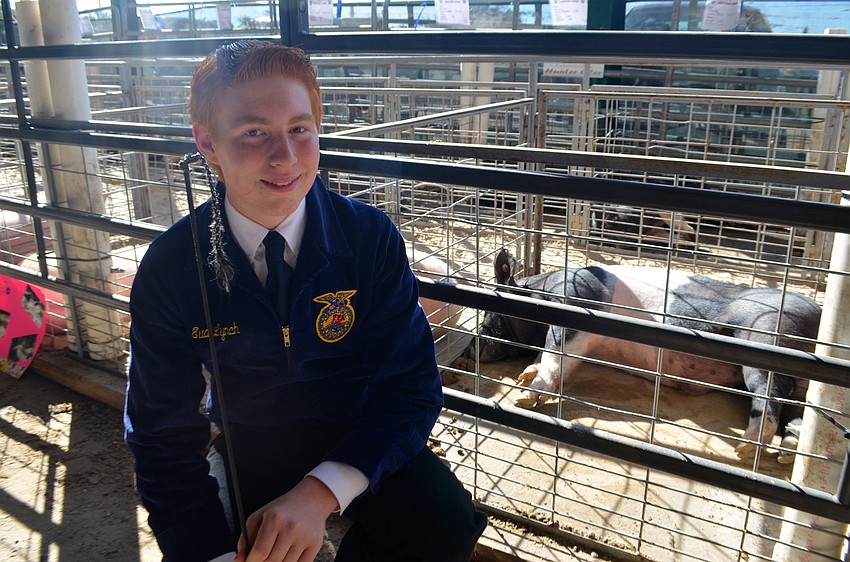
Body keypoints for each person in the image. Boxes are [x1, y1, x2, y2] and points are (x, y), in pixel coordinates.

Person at [123, 39, 487, 562]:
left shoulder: (367, 237)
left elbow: (409, 389)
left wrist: (321, 492)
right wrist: (208, 553)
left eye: (299, 129)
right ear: (206, 142)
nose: (285, 157)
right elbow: (159, 431)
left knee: (443, 521)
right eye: (254, 133)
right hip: (250, 435)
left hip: (360, 428)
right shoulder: (172, 265)